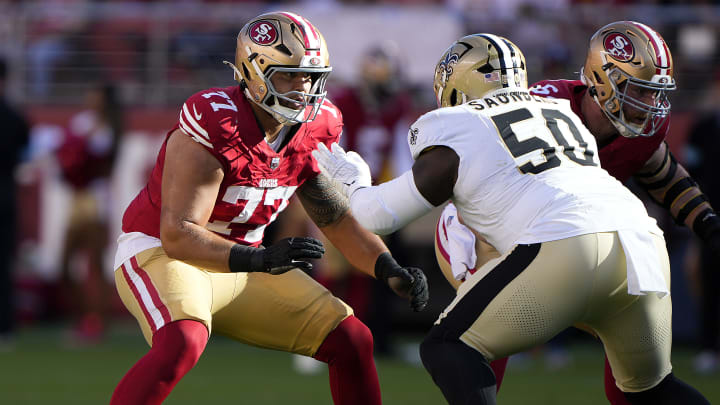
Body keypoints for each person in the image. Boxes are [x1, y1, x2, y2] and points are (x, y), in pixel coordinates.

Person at [313, 33, 710, 405]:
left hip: (567, 243)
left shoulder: (459, 123)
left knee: (447, 347)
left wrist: (351, 177)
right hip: (642, 244)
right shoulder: (563, 114)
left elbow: (375, 215)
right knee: (650, 392)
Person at [109, 11, 428, 405]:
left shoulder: (315, 127)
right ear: (253, 72)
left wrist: (387, 268)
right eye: (288, 74)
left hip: (248, 262)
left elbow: (334, 215)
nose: (302, 87)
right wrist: (259, 259)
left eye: (311, 76)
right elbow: (178, 233)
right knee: (183, 340)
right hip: (164, 253)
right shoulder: (216, 123)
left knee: (352, 339)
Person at [434, 20, 720, 404]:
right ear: (603, 80)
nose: (651, 105)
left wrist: (708, 224)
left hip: (587, 244)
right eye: (641, 90)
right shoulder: (540, 107)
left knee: (635, 388)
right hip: (511, 235)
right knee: (475, 335)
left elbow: (662, 173)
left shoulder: (643, 130)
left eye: (656, 93)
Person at [57, 83, 123, 343]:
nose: (90, 98)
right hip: (78, 197)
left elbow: (99, 157)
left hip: (97, 199)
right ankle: (83, 315)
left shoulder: (110, 128)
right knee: (64, 263)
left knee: (94, 264)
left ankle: (97, 322)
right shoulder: (82, 121)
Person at [0, 57, 30, 347]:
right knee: (4, 264)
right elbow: (25, 155)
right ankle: (5, 327)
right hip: (6, 198)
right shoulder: (14, 117)